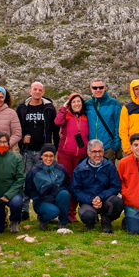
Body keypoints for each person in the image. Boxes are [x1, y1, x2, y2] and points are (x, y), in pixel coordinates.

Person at [16, 82, 59, 220]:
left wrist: (55, 148)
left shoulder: (49, 108)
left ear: (43, 92)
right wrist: (22, 139)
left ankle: (47, 210)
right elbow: (17, 128)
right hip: (27, 151)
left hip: (44, 152)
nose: (37, 92)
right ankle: (24, 211)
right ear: (30, 91)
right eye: (35, 89)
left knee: (46, 181)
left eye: (40, 90)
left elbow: (55, 129)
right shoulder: (22, 108)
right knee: (25, 181)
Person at [70, 140, 123, 233]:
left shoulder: (110, 166)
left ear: (103, 151)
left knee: (118, 202)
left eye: (100, 151)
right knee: (88, 216)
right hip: (88, 201)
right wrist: (91, 199)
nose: (98, 154)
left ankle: (106, 220)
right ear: (88, 153)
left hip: (105, 199)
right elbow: (75, 190)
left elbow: (116, 186)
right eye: (94, 151)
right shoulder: (79, 169)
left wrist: (100, 197)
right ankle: (91, 221)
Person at [54, 93, 89, 223]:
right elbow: (57, 122)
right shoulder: (66, 116)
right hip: (65, 154)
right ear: (69, 104)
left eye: (78, 101)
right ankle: (65, 212)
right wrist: (63, 108)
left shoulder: (86, 117)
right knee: (65, 182)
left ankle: (73, 212)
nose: (76, 104)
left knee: (77, 183)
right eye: (73, 102)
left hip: (81, 155)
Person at [0, 131, 25, 234]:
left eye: (5, 142)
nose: (2, 144)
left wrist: (8, 195)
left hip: (12, 194)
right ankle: (2, 216)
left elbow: (20, 178)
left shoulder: (16, 158)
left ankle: (14, 221)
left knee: (17, 203)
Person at [25, 144, 71, 230]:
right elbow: (29, 189)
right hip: (41, 201)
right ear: (41, 156)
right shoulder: (34, 172)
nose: (48, 159)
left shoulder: (61, 169)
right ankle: (42, 219)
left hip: (56, 198)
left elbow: (66, 182)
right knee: (54, 212)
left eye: (51, 156)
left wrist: (59, 191)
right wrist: (39, 197)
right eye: (46, 156)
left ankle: (63, 222)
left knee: (65, 194)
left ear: (54, 156)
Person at [85, 78, 122, 163]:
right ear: (91, 89)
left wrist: (115, 147)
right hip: (92, 149)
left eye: (100, 87)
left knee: (107, 171)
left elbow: (119, 126)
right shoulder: (88, 105)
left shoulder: (114, 104)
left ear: (105, 88)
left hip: (108, 148)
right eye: (95, 88)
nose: (98, 90)